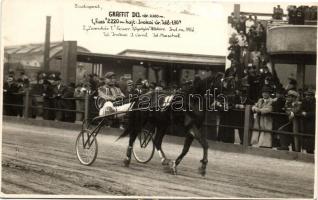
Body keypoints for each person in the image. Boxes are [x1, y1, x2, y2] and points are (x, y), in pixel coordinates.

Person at [300, 88, 315, 153]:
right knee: (306, 136)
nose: (307, 96)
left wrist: (307, 114)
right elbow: (301, 109)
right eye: (306, 95)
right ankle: (307, 149)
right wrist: (302, 112)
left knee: (311, 136)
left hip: (312, 121)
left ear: (312, 96)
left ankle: (311, 150)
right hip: (305, 121)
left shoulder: (315, 102)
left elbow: (315, 112)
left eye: (309, 95)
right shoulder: (304, 101)